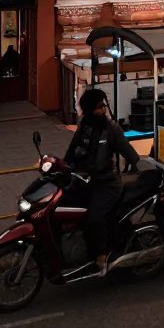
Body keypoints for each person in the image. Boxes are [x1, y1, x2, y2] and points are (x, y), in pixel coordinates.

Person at [64, 87, 140, 272]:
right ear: (88, 110)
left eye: (103, 106)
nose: (102, 111)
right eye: (98, 108)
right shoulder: (83, 125)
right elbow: (71, 150)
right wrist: (62, 167)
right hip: (85, 181)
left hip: (107, 183)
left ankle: (102, 255)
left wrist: (141, 170)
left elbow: (130, 153)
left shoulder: (111, 129)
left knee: (95, 218)